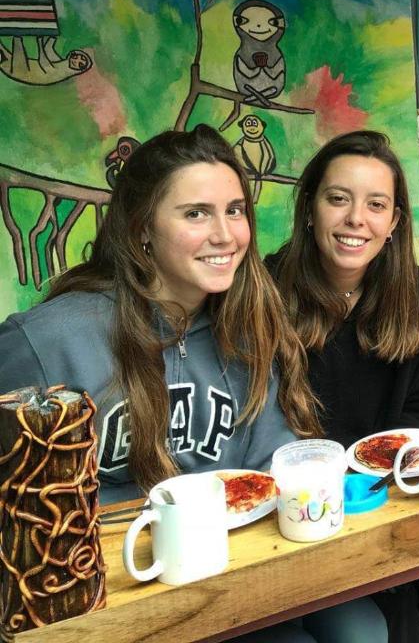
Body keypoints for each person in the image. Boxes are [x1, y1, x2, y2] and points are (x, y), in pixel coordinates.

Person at [0, 125, 339, 643]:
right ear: (142, 228)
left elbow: (275, 458)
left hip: (229, 587)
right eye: (196, 213)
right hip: (99, 604)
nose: (226, 235)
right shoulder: (47, 340)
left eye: (235, 210)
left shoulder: (249, 326)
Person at [269, 130, 419, 643]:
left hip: (393, 492)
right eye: (338, 199)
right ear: (310, 208)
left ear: (394, 222)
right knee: (398, 626)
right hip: (310, 509)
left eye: (376, 205)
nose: (356, 219)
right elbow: (268, 435)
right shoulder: (265, 293)